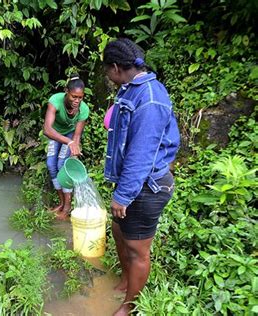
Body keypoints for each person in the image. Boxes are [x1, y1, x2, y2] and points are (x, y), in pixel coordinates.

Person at [102, 38, 180, 316]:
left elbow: (142, 154)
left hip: (147, 187)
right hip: (132, 182)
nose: (106, 78)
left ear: (115, 67)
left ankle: (130, 307)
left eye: (106, 72)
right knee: (119, 232)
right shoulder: (130, 89)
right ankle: (126, 282)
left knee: (137, 249)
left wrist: (122, 196)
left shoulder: (149, 99)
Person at [43, 74, 89, 220]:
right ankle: (61, 203)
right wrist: (68, 143)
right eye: (74, 97)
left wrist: (73, 150)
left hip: (69, 135)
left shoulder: (83, 110)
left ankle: (67, 207)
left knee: (62, 164)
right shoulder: (55, 101)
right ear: (66, 92)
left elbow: (76, 136)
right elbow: (47, 130)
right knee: (51, 165)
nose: (77, 101)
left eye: (80, 98)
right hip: (55, 134)